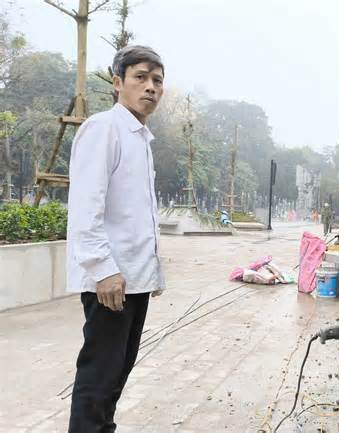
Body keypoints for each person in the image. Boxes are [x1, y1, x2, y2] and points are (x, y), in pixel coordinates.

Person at [66, 45, 166, 433]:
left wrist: (153, 272)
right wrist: (102, 269)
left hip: (134, 280)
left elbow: (137, 214)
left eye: (157, 80)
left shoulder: (140, 137)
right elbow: (86, 206)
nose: (150, 88)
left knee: (116, 375)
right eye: (140, 77)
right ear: (117, 82)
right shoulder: (104, 128)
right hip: (111, 281)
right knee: (99, 376)